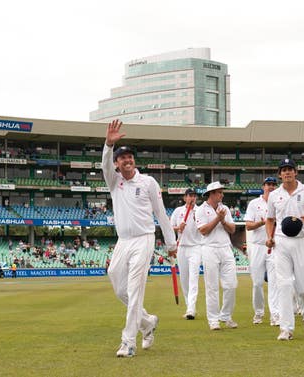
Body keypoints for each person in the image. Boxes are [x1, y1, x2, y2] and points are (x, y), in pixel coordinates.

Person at [102, 119, 177, 358]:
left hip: (144, 239)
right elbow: (104, 165)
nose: (127, 160)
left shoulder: (148, 182)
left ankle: (128, 342)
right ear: (117, 163)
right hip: (123, 241)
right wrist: (108, 145)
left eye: (130, 157)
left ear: (134, 161)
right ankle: (147, 322)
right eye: (122, 157)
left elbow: (161, 214)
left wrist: (171, 243)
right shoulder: (114, 182)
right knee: (118, 286)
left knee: (135, 290)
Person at [265, 158, 304, 341]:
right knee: (284, 285)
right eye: (284, 170)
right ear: (279, 174)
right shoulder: (274, 195)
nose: (287, 172)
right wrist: (269, 237)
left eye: (290, 169)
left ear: (296, 172)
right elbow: (270, 219)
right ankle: (286, 328)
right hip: (281, 242)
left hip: (302, 241)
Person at [195, 181, 238, 331]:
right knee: (212, 286)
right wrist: (217, 219)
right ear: (212, 193)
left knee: (231, 285)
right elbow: (203, 231)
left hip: (226, 248)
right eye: (220, 192)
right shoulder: (200, 210)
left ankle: (225, 316)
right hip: (209, 249)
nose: (222, 194)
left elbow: (232, 229)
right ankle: (213, 320)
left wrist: (223, 219)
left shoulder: (224, 208)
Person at [244, 176, 280, 326]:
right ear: (263, 186)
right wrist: (261, 222)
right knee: (257, 283)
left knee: (274, 282)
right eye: (268, 184)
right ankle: (259, 313)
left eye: (273, 184)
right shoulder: (254, 203)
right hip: (258, 246)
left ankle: (275, 314)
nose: (271, 187)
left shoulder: (279, 202)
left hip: (274, 245)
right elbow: (248, 226)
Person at [170, 188, 202, 320]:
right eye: (189, 196)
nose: (192, 198)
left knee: (193, 278)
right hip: (182, 247)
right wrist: (178, 228)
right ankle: (189, 306)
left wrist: (196, 219)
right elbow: (170, 227)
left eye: (194, 196)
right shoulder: (178, 211)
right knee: (184, 279)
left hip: (196, 247)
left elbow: (204, 229)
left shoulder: (200, 211)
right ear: (185, 198)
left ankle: (191, 309)